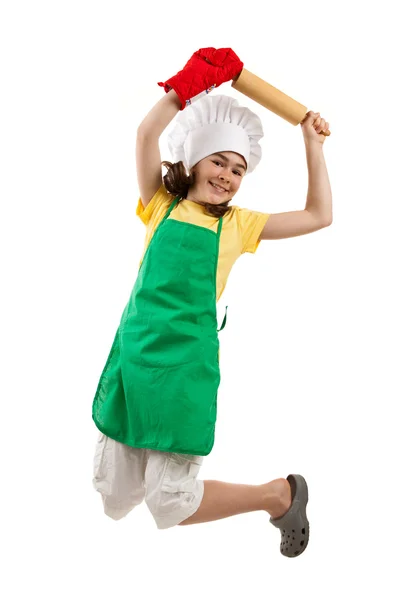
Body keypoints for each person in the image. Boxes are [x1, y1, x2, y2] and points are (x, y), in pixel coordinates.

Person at [92, 48, 332, 558]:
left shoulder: (239, 224)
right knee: (112, 497)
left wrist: (312, 144)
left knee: (170, 504)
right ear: (195, 161)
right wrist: (185, 89)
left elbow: (318, 215)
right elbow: (145, 135)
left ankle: (279, 495)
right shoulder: (161, 202)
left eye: (238, 169)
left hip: (183, 367)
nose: (227, 175)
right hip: (135, 358)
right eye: (219, 161)